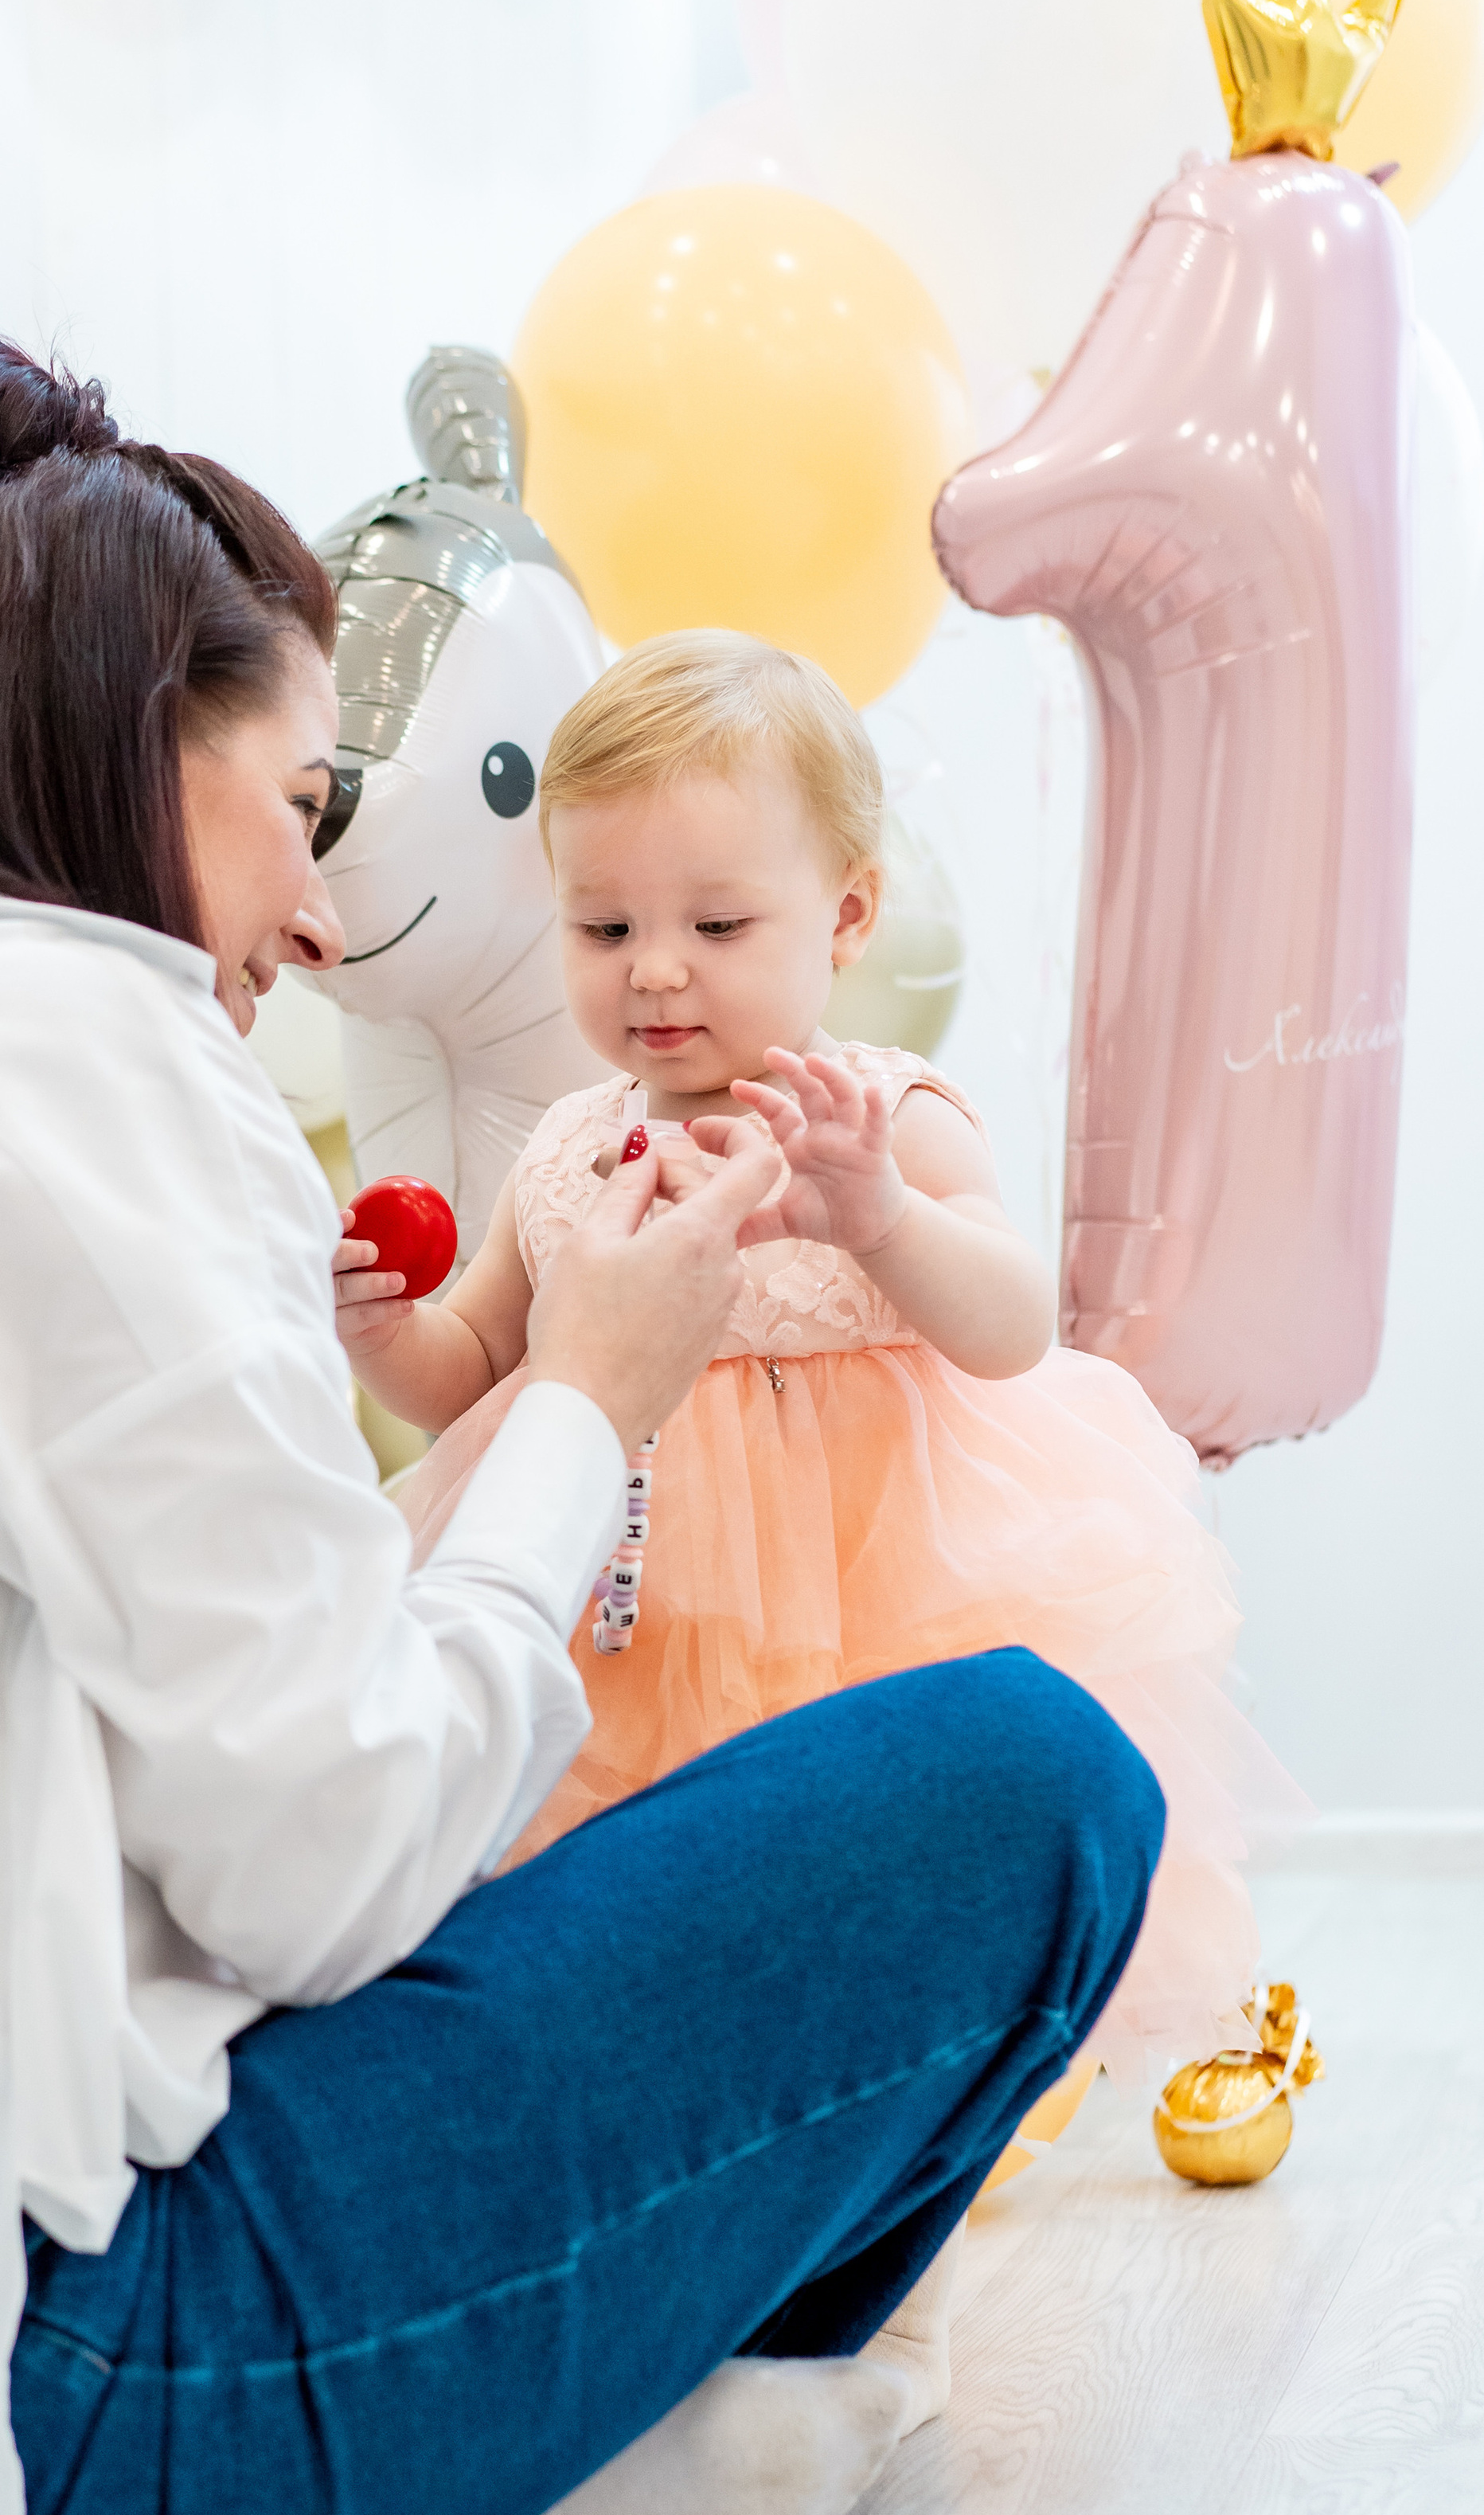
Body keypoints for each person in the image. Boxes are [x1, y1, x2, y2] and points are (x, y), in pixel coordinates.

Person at [0, 343, 1162, 2515]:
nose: (323, 916)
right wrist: (591, 1399)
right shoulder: (96, 1066)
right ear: (156, 754)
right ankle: (559, 2422)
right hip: (19, 2435)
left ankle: (535, 2426)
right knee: (1026, 1779)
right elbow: (325, 1864)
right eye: (299, 804)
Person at [343, 630, 1304, 2104]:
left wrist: (886, 1219)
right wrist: (385, 1336)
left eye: (718, 926)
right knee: (655, 1875)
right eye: (603, 929)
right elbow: (478, 1368)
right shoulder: (568, 1151)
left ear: (846, 915)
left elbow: (1010, 1324)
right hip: (636, 1607)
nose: (655, 970)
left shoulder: (885, 1115)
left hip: (880, 1578)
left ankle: (905, 2093)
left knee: (890, 1857)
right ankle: (701, 2106)